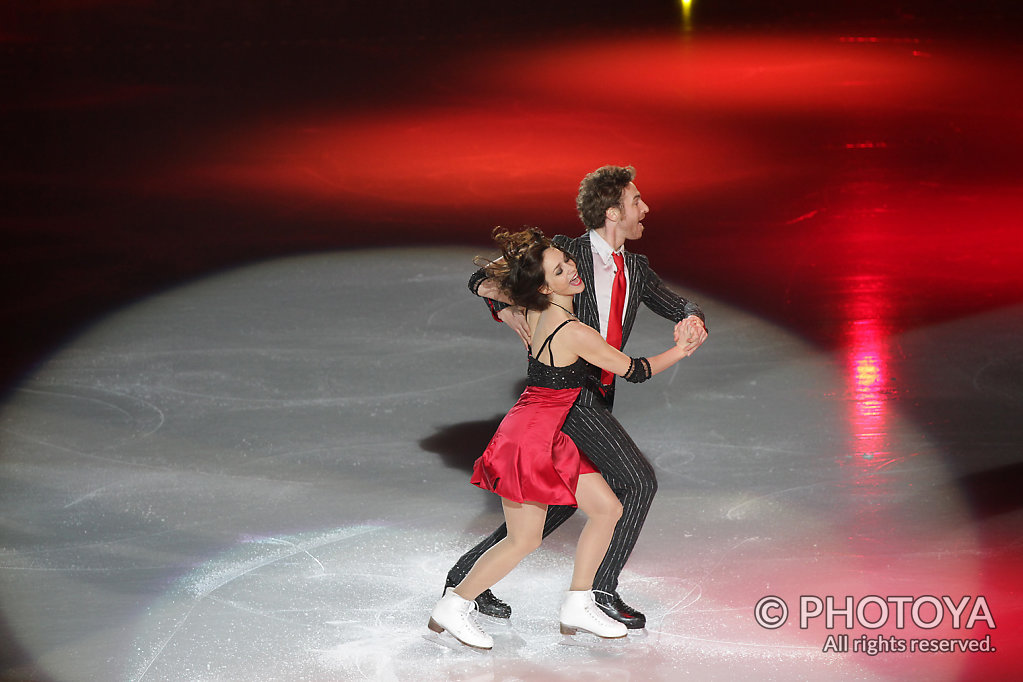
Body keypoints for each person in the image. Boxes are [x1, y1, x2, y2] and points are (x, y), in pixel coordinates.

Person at [445, 165, 708, 630]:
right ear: (613, 212)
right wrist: (507, 310)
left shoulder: (638, 269)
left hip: (595, 396)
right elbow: (483, 279)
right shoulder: (565, 254)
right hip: (568, 396)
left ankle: (466, 580)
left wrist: (691, 318)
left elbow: (676, 302)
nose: (645, 210)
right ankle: (597, 594)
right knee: (637, 483)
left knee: (564, 500)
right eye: (636, 202)